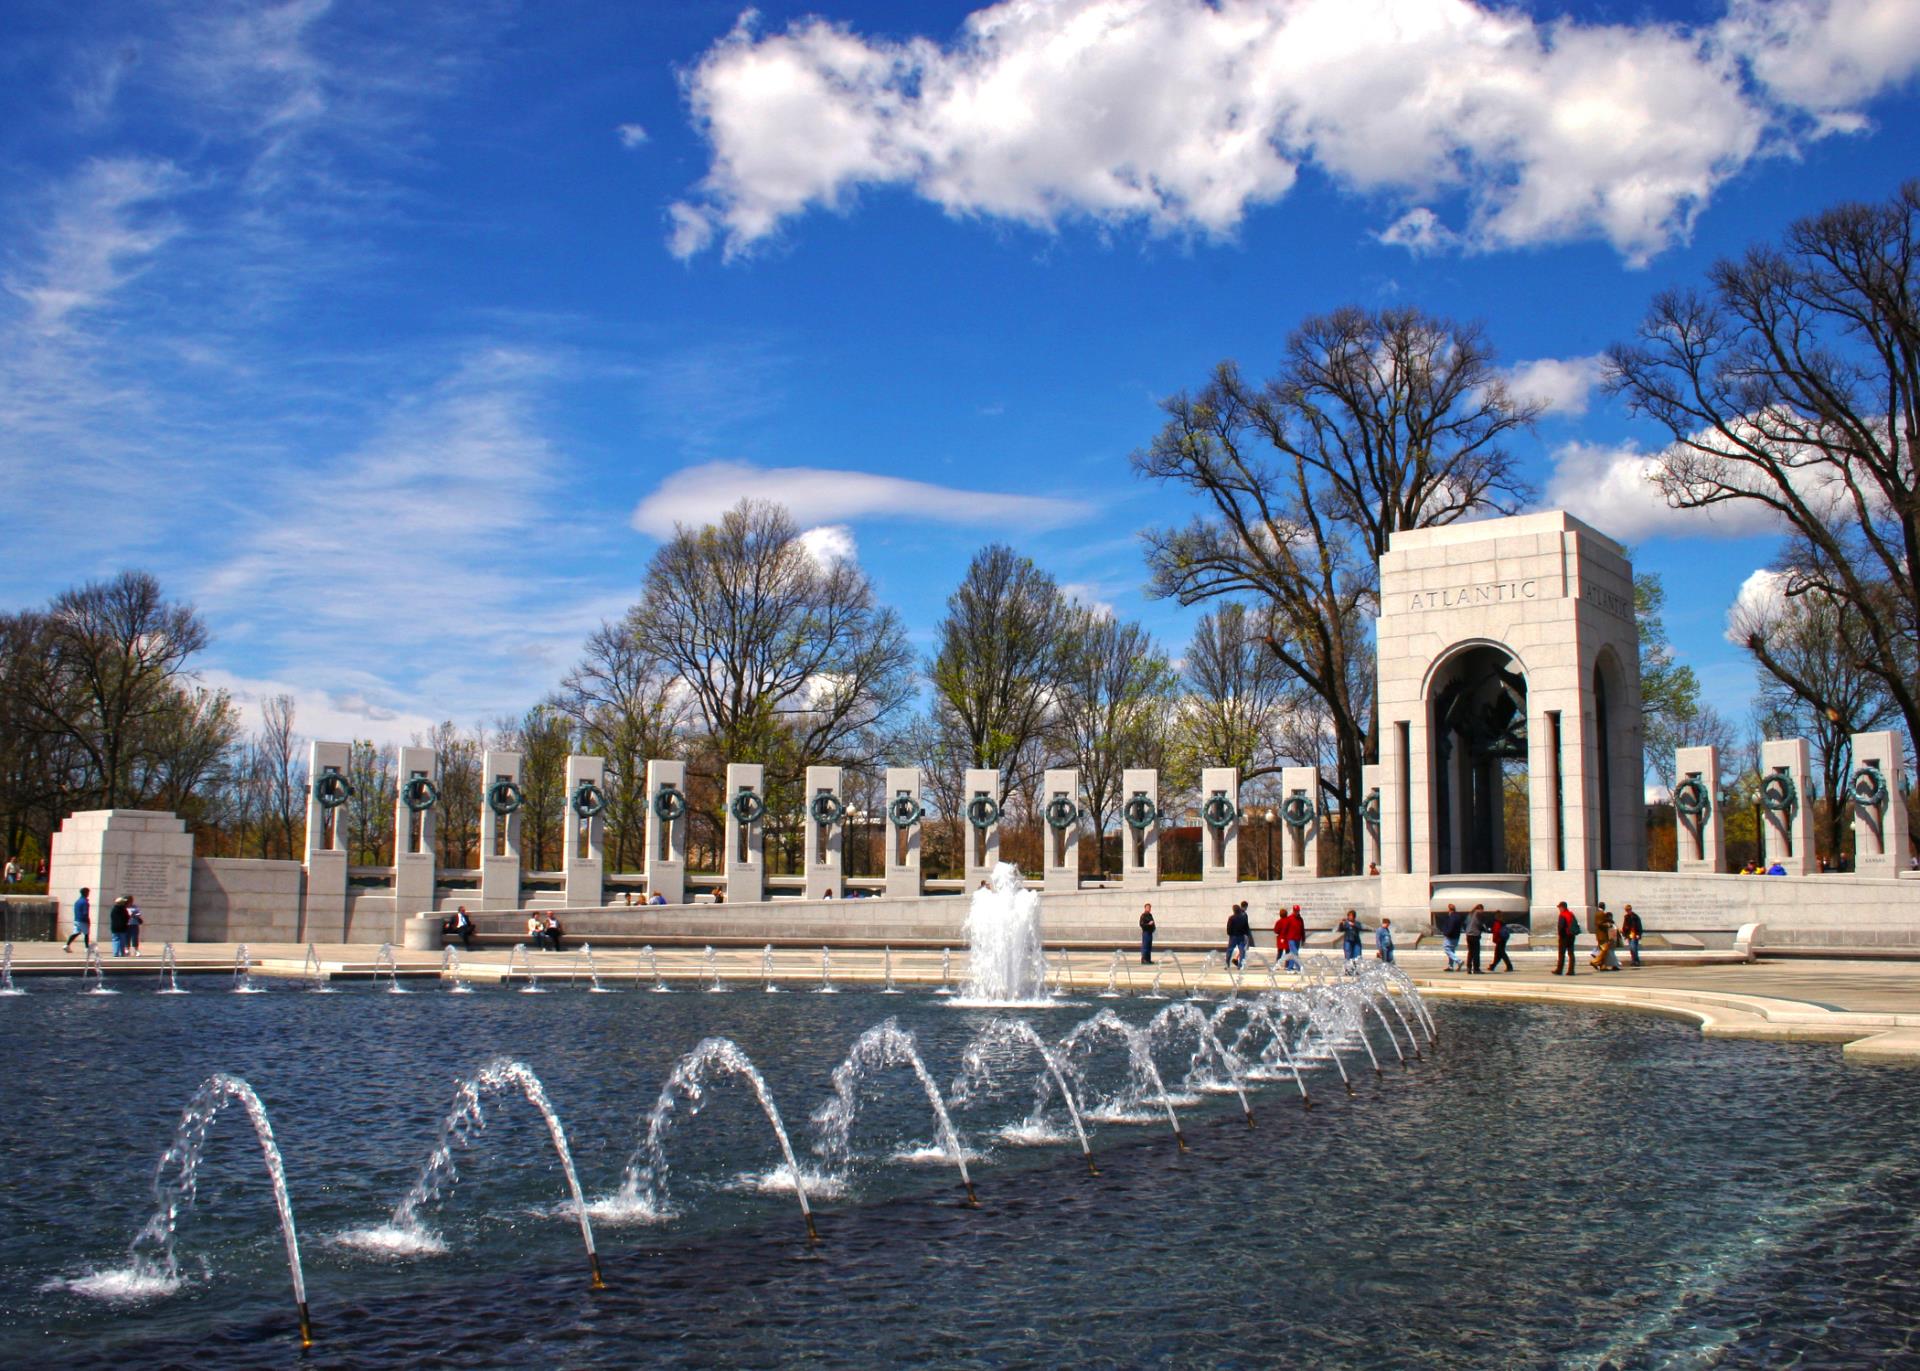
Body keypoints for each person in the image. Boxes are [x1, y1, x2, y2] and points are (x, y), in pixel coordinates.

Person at [1553, 900, 1579, 976]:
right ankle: (1571, 971)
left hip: (1564, 937)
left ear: (1562, 907)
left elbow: (1561, 927)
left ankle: (1559, 970)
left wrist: (1560, 935)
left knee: (1561, 953)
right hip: (1571, 936)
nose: (1559, 909)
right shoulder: (1571, 914)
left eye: (1559, 907)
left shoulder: (1562, 915)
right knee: (1571, 953)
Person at [1590, 904, 1618, 971]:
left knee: (1602, 950)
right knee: (1605, 949)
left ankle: (1603, 966)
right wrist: (1608, 924)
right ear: (1604, 907)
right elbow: (1600, 923)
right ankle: (1595, 961)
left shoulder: (1598, 913)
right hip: (1602, 935)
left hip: (1599, 935)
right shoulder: (1601, 913)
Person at [1225, 901, 1252, 968]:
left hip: (1233, 937)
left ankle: (1227, 964)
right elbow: (1246, 927)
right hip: (1241, 937)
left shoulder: (1231, 918)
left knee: (1230, 951)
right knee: (1242, 951)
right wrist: (1246, 935)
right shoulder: (1243, 917)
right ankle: (1240, 965)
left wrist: (1230, 934)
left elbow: (1228, 928)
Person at [65, 886, 91, 953]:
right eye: (88, 892)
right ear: (86, 893)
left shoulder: (77, 901)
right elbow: (85, 913)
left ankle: (67, 945)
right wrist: (88, 921)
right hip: (83, 920)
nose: (88, 894)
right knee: (86, 934)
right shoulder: (85, 902)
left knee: (76, 933)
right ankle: (87, 948)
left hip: (77, 920)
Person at [1438, 903, 1464, 972]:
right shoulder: (1458, 916)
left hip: (1450, 936)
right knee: (1451, 950)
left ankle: (1459, 961)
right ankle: (1450, 966)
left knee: (1446, 948)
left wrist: (1446, 933)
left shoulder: (1452, 917)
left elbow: (1451, 927)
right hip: (1456, 936)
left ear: (1449, 909)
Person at [1464, 904, 1485, 975]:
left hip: (1468, 935)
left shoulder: (1470, 914)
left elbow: (1465, 923)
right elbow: (1479, 924)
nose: (1483, 912)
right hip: (1475, 935)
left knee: (1470, 952)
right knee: (1476, 952)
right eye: (1482, 910)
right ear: (1480, 909)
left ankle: (1469, 967)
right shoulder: (1478, 914)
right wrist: (1483, 929)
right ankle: (1476, 968)